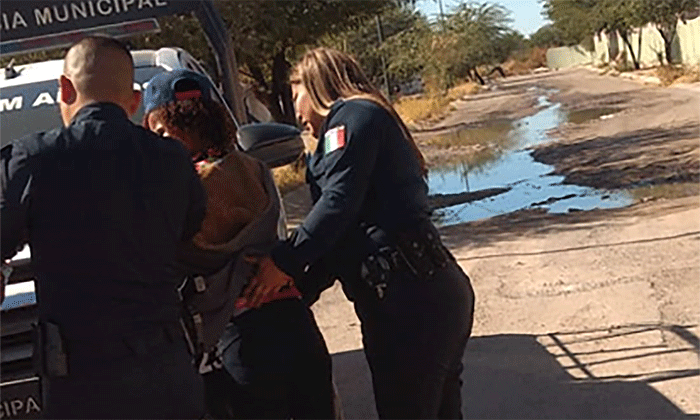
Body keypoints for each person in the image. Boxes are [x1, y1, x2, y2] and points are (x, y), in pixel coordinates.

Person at [241, 47, 476, 419]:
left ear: (316, 86)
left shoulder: (351, 117)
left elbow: (337, 205)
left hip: (409, 303)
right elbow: (342, 237)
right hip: (417, 297)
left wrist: (283, 261)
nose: (296, 111)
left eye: (295, 94)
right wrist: (294, 289)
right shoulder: (356, 123)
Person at [0, 37, 207, 419]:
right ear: (132, 97)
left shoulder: (33, 160)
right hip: (168, 372)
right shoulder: (173, 161)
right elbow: (191, 231)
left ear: (65, 88)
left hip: (83, 382)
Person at [141, 69, 336, 419]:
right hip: (295, 323)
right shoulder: (252, 168)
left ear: (161, 127)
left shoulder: (180, 190)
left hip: (240, 339)